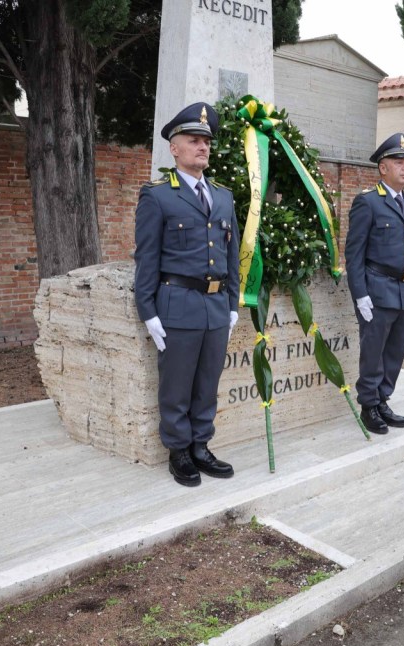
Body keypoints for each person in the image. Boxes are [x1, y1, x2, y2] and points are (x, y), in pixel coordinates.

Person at [134, 102, 240, 487]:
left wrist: (232, 304)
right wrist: (148, 311)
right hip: (176, 306)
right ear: (174, 148)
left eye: (206, 141)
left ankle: (200, 446)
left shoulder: (223, 197)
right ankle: (178, 450)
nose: (203, 147)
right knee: (177, 385)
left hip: (215, 307)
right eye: (194, 140)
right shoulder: (159, 197)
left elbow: (231, 254)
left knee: (207, 384)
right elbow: (146, 258)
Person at [345, 132, 404, 435]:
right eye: (398, 161)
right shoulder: (368, 202)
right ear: (383, 167)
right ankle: (368, 405)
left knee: (395, 352)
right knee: (373, 352)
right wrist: (360, 295)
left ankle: (383, 399)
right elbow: (353, 253)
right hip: (377, 290)